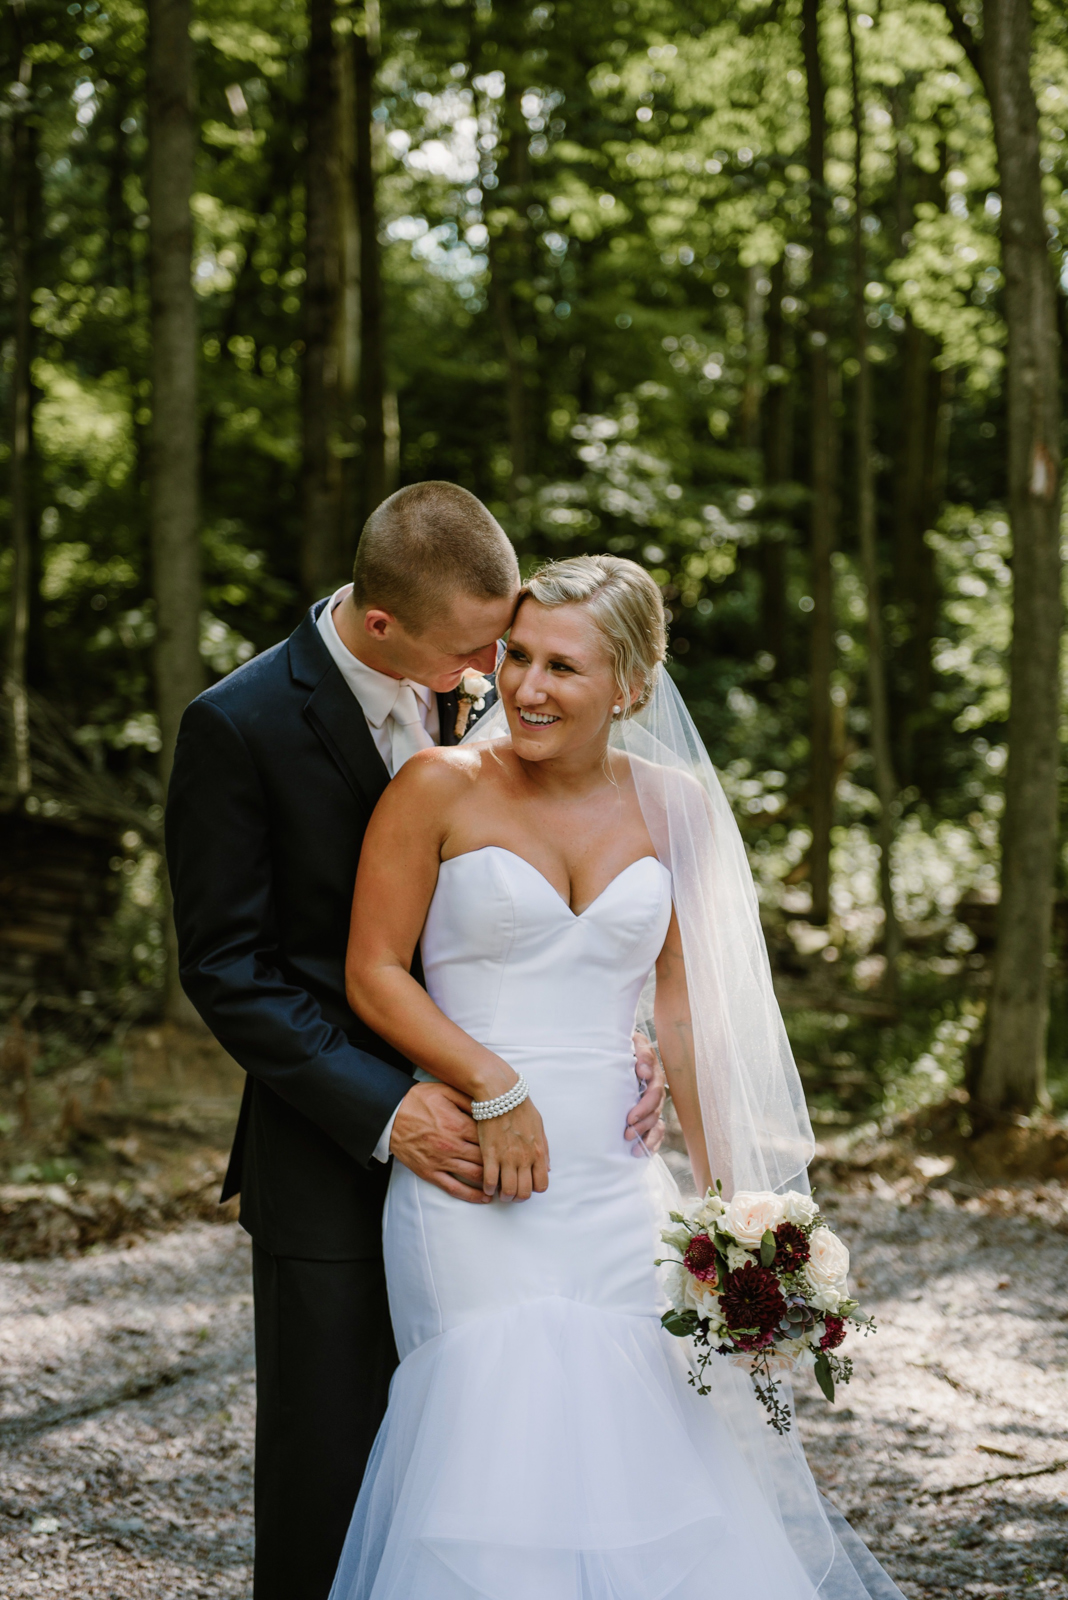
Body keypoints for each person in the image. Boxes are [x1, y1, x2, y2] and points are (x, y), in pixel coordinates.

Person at [329, 553, 908, 1600]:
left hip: (617, 1182)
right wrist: (492, 1083)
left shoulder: (677, 806)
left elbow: (685, 1014)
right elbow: (371, 970)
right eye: (519, 657)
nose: (527, 687)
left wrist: (738, 1211)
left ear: (632, 686)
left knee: (646, 1451)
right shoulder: (438, 785)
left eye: (565, 667)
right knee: (492, 1442)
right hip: (473, 1175)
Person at [165, 489, 669, 1600]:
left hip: (544, 1155)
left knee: (536, 1446)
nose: (504, 672)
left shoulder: (493, 687)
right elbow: (228, 968)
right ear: (383, 626)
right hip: (334, 1140)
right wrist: (392, 1105)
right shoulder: (238, 725)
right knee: (336, 1465)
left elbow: (555, 891)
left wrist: (628, 1031)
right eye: (479, 650)